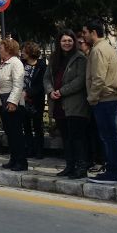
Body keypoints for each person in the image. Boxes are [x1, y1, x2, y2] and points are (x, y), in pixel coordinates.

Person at [45, 30, 91, 179]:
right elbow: (46, 78)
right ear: (59, 42)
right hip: (58, 104)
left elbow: (80, 80)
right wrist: (51, 91)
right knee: (65, 137)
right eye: (64, 41)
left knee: (77, 137)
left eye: (69, 40)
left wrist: (62, 91)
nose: (67, 43)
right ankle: (70, 166)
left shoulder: (80, 59)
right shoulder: (54, 59)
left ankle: (81, 166)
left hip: (75, 105)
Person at [82, 20, 117, 183]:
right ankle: (114, 168)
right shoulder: (106, 47)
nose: (83, 36)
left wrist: (92, 98)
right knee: (110, 136)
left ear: (93, 32)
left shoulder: (98, 50)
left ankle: (113, 170)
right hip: (108, 97)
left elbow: (98, 78)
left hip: (104, 98)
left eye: (85, 32)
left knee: (108, 136)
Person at [0, 39, 27, 171]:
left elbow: (18, 83)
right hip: (3, 99)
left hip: (11, 100)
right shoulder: (4, 64)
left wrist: (13, 101)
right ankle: (13, 159)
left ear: (8, 49)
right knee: (10, 132)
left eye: (1, 48)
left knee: (16, 133)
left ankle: (21, 161)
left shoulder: (16, 63)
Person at [20, 42, 47, 159]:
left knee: (37, 125)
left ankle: (39, 150)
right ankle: (29, 148)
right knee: (26, 125)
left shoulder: (41, 66)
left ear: (30, 53)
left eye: (24, 51)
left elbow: (42, 84)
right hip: (22, 99)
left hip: (36, 100)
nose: (22, 53)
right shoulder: (21, 64)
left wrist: (29, 92)